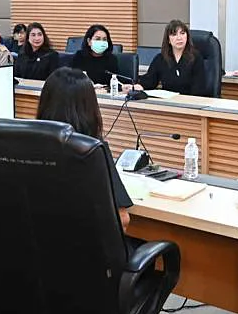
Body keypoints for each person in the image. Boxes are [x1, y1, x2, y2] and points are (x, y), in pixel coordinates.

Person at [36, 67, 131, 232]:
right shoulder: (92, 149)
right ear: (89, 106)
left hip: (37, 244)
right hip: (86, 247)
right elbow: (122, 220)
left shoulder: (27, 143)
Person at [127, 19, 207, 96]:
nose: (179, 38)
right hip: (168, 101)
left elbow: (199, 89)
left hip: (189, 102)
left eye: (182, 33)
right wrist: (133, 88)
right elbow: (149, 81)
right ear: (168, 40)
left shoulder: (196, 58)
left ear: (187, 37)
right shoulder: (161, 59)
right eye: (174, 34)